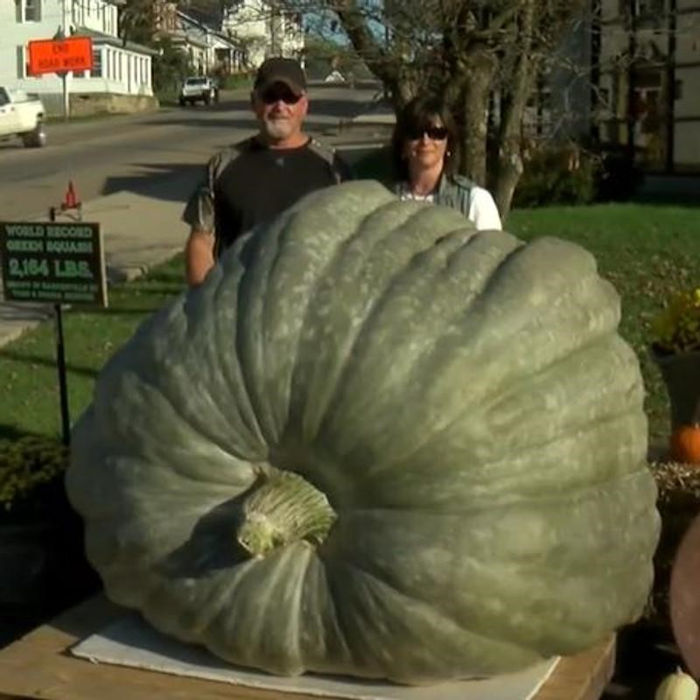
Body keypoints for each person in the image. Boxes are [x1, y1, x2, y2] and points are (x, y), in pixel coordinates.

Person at [183, 57, 351, 287]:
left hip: (310, 309)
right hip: (236, 307)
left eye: (290, 97)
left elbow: (352, 244)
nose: (280, 106)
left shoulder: (334, 168)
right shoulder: (222, 166)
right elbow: (201, 240)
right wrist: (203, 300)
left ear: (304, 105)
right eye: (270, 97)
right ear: (254, 102)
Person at [389, 96, 502, 231]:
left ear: (449, 144)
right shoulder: (385, 200)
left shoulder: (476, 201)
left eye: (436, 133)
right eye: (415, 133)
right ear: (402, 144)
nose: (425, 141)